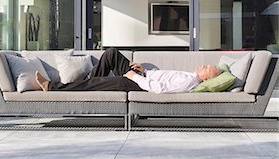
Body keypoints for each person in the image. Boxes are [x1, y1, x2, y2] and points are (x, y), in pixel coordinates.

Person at [35, 47, 221, 94]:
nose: (203, 65)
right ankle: (87, 83)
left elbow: (159, 89)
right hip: (142, 76)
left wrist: (134, 76)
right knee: (111, 54)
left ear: (206, 79)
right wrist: (143, 71)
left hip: (138, 84)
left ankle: (53, 86)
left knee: (95, 83)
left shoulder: (189, 82)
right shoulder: (190, 75)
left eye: (207, 68)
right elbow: (162, 78)